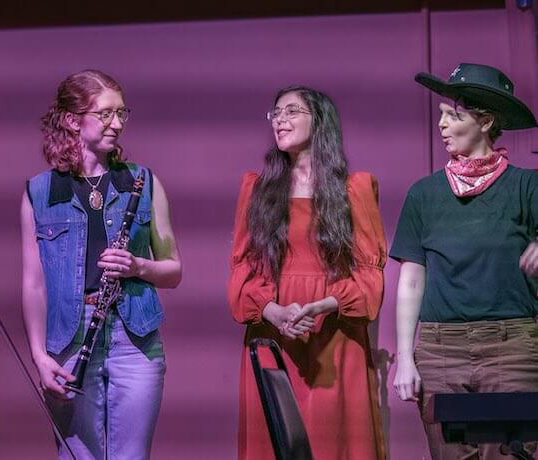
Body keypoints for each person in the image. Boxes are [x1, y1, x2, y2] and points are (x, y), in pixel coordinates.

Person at [21, 69, 182, 460]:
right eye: (106, 114)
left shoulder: (143, 181)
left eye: (122, 114)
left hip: (135, 339)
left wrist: (137, 267)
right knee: (78, 456)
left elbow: (174, 270)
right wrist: (40, 358)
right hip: (69, 339)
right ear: (74, 120)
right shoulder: (39, 191)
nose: (117, 124)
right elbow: (34, 284)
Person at [228, 85, 388, 460]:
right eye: (276, 113)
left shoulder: (354, 189)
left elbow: (369, 276)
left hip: (334, 337)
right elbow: (243, 269)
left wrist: (322, 305)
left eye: (292, 111)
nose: (280, 120)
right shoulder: (257, 190)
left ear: (320, 122)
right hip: (274, 334)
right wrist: (273, 311)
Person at [391, 63, 538, 460]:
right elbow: (411, 280)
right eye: (440, 113)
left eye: (453, 115)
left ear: (486, 121)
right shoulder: (424, 194)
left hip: (512, 347)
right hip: (441, 349)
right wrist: (406, 358)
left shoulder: (527, 186)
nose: (441, 123)